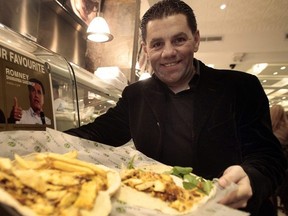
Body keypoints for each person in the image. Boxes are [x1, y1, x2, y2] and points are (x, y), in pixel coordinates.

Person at [65, 1, 286, 215]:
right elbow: (96, 133)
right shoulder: (136, 95)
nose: (168, 52)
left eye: (179, 40)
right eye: (157, 44)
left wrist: (251, 177)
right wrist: (38, 137)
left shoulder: (241, 87)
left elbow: (268, 156)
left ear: (196, 40)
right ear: (146, 48)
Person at [270, 104, 288, 215]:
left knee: (273, 189)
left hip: (272, 163)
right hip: (284, 162)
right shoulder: (286, 127)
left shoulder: (267, 127)